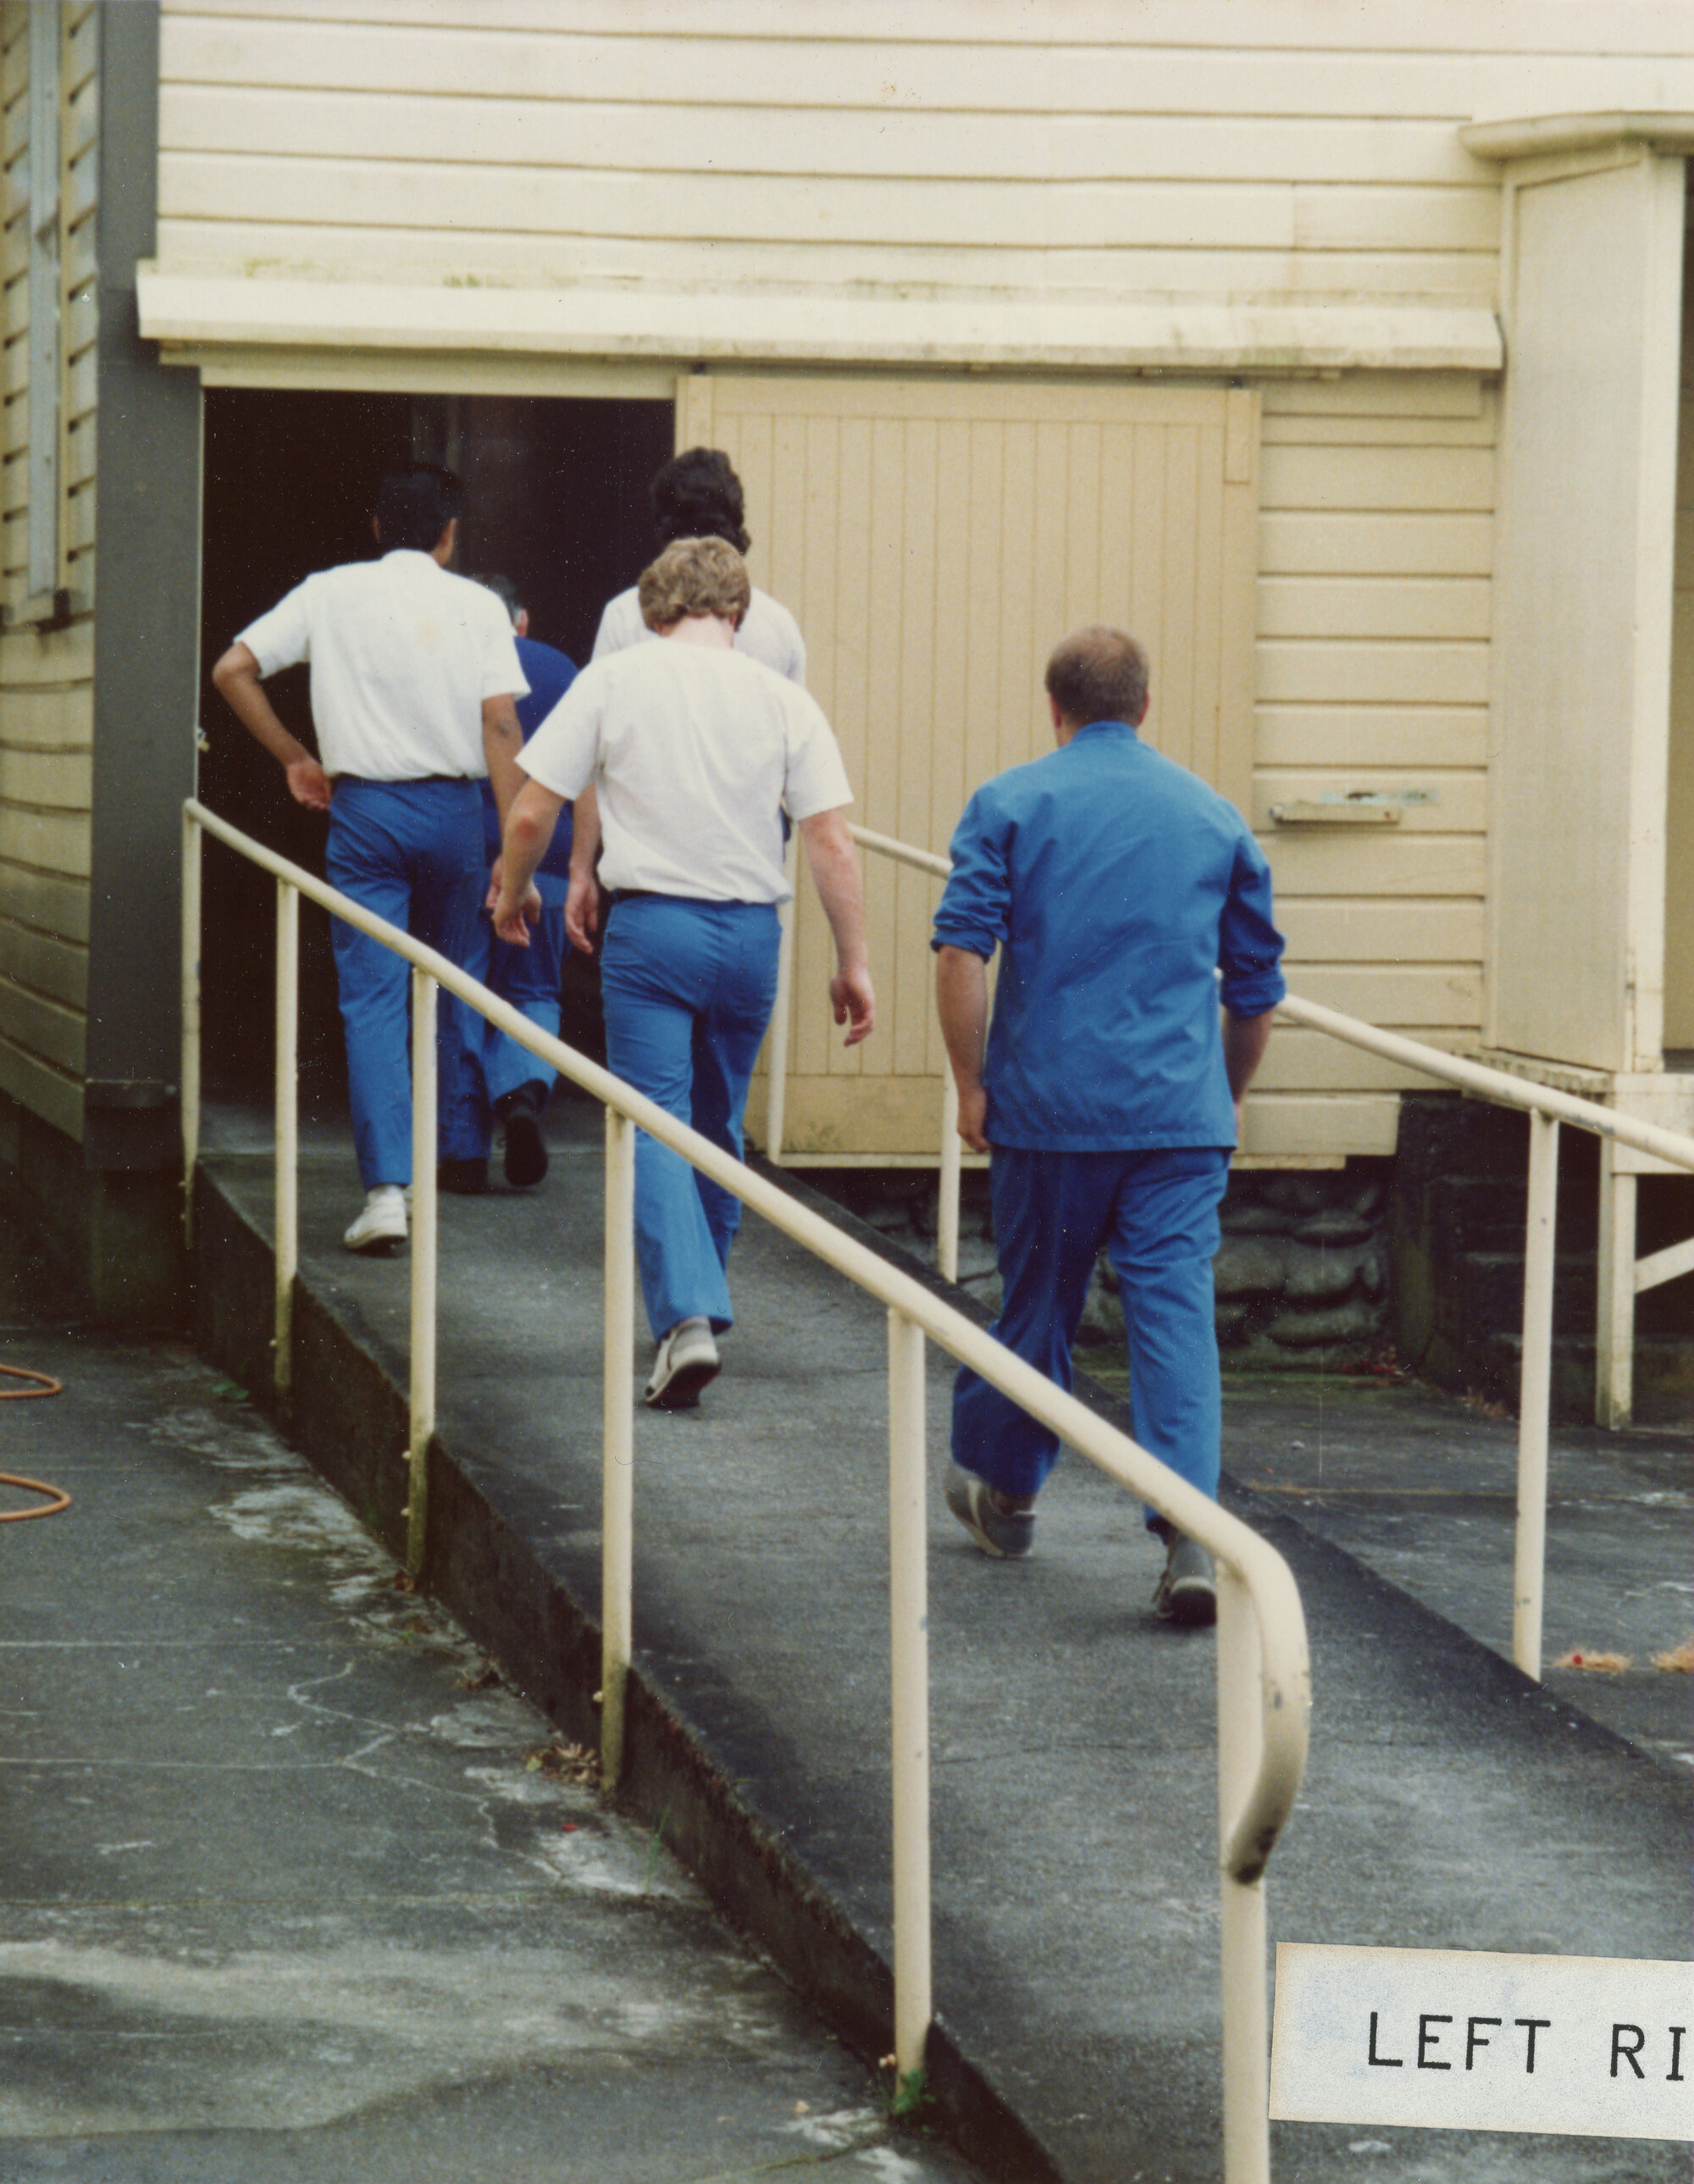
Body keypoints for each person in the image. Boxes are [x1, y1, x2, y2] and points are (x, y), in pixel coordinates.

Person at [931, 625, 1285, 1625]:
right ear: (1143, 706)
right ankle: (1189, 1540)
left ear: (1055, 707)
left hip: (1048, 1114)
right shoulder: (1212, 818)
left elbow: (961, 952)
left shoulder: (1008, 803)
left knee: (1036, 1304)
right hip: (1178, 1115)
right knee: (1172, 1318)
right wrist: (1226, 1092)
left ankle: (1009, 1495)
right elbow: (1254, 993)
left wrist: (969, 1083)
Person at [491, 537, 874, 1410]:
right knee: (714, 1122)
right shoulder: (784, 699)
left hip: (654, 928)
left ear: (653, 609)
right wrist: (853, 961)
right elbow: (830, 840)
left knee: (654, 1121)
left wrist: (514, 897)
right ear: (735, 612)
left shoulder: (613, 680)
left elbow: (528, 812)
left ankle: (686, 1317)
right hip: (749, 935)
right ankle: (700, 1301)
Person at [211, 463, 529, 1254]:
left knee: (374, 999)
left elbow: (233, 668)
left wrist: (293, 756)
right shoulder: (479, 605)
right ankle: (457, 1153)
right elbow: (500, 729)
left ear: (380, 527)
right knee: (457, 985)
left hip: (365, 814)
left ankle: (387, 1191)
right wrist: (512, 849)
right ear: (449, 536)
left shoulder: (329, 591)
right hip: (455, 813)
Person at [457, 574, 578, 1190]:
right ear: (521, 620)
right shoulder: (562, 669)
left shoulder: (455, 660)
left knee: (463, 991)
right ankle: (522, 1095)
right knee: (535, 992)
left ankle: (461, 1146)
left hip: (469, 852)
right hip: (550, 858)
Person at [590, 446, 805, 682]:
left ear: (664, 526)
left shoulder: (625, 616)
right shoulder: (777, 624)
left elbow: (599, 710)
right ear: (734, 524)